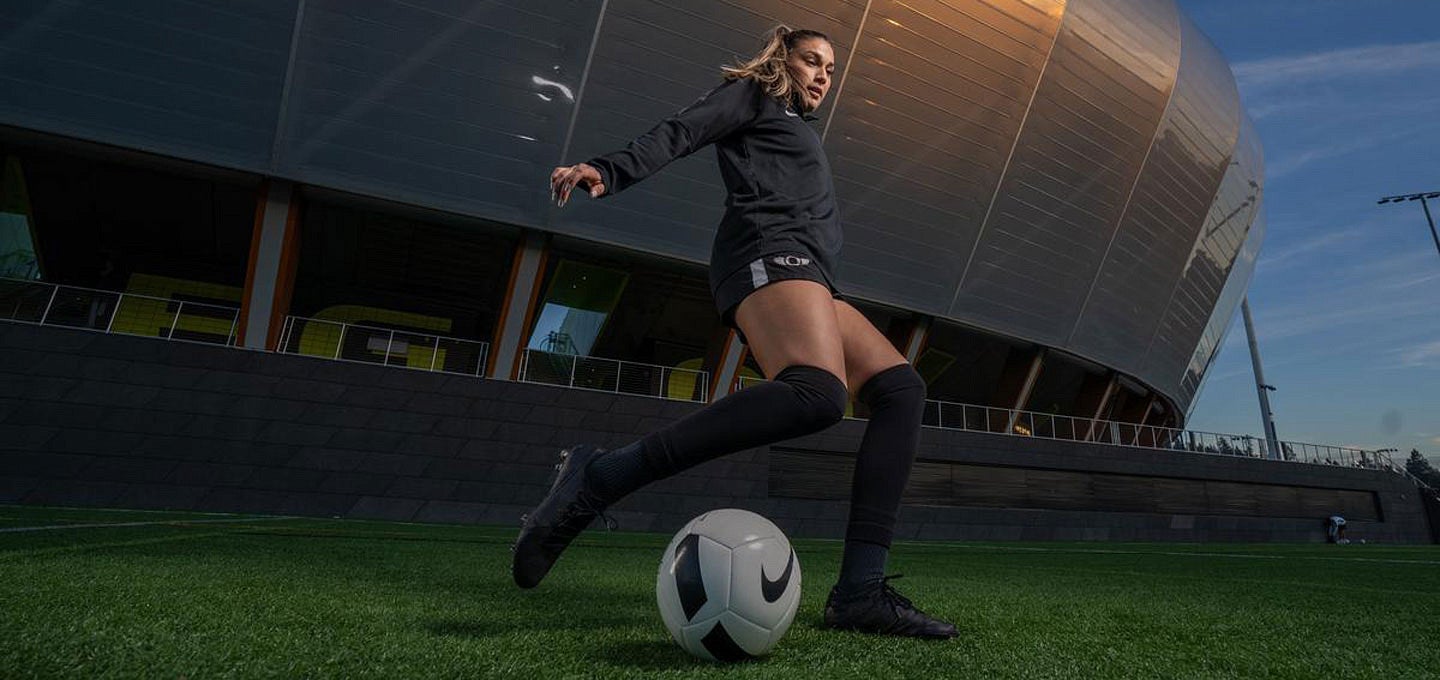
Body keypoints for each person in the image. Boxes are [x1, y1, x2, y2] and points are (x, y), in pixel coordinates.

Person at [512, 25, 957, 640]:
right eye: (812, 61)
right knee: (818, 394)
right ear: (784, 59)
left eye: (831, 68)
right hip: (766, 252)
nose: (824, 75)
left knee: (902, 391)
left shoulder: (795, 129)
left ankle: (859, 591)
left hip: (811, 273)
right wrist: (607, 170)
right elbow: (682, 129)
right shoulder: (752, 96)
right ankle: (602, 477)